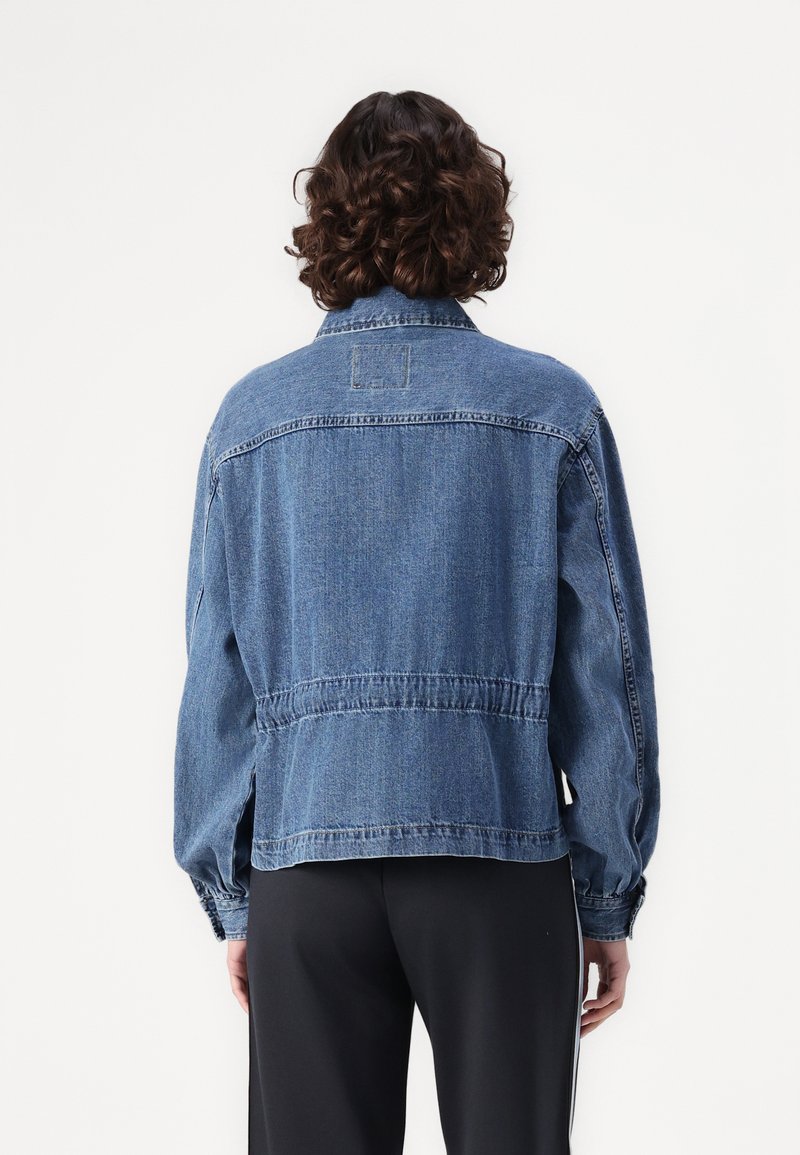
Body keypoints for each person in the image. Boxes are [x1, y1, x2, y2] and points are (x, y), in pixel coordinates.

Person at [173, 89, 660, 1155]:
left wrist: (236, 893)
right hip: (498, 853)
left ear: (327, 221)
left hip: (307, 863)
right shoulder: (548, 409)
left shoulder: (253, 421)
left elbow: (217, 673)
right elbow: (607, 672)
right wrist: (604, 894)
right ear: (475, 217)